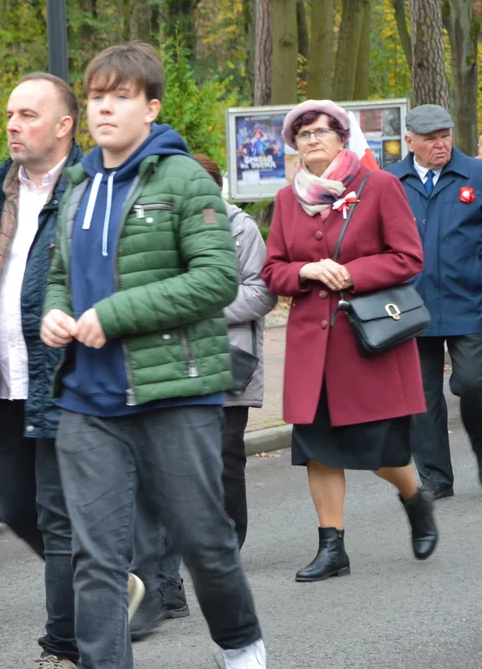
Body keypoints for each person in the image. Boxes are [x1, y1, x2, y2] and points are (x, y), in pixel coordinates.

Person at [40, 42, 265, 669]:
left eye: (121, 96)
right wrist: (54, 314)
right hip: (87, 400)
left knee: (203, 542)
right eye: (96, 97)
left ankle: (241, 647)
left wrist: (110, 316)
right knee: (98, 556)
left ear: (151, 106)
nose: (104, 109)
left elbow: (218, 280)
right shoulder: (79, 184)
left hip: (175, 393)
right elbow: (60, 273)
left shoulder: (183, 178)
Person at [0, 72, 98, 669]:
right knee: (11, 507)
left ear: (64, 125)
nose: (13, 124)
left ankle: (63, 647)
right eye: (10, 114)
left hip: (66, 381)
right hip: (0, 384)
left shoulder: (92, 189)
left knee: (59, 520)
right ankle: (108, 579)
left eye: (29, 114)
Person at [262, 99, 438, 584]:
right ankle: (332, 547)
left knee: (379, 451)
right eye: (303, 134)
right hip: (310, 349)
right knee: (316, 448)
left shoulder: (378, 187)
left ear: (342, 137)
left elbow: (408, 258)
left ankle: (414, 498)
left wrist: (350, 274)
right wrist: (305, 270)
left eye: (322, 131)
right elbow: (273, 269)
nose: (312, 139)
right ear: (294, 145)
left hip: (366, 343)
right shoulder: (285, 199)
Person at [127, 154, 276, 640]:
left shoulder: (239, 226)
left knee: (223, 463)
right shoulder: (154, 225)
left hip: (225, 361)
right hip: (168, 365)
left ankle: (224, 554)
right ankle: (168, 581)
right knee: (165, 474)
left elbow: (261, 292)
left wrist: (196, 309)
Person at [386, 105, 482, 499]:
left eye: (445, 135)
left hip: (469, 304)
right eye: (430, 138)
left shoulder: (475, 175)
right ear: (410, 141)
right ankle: (436, 479)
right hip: (411, 308)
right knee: (421, 397)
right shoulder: (389, 181)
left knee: (474, 384)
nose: (440, 144)